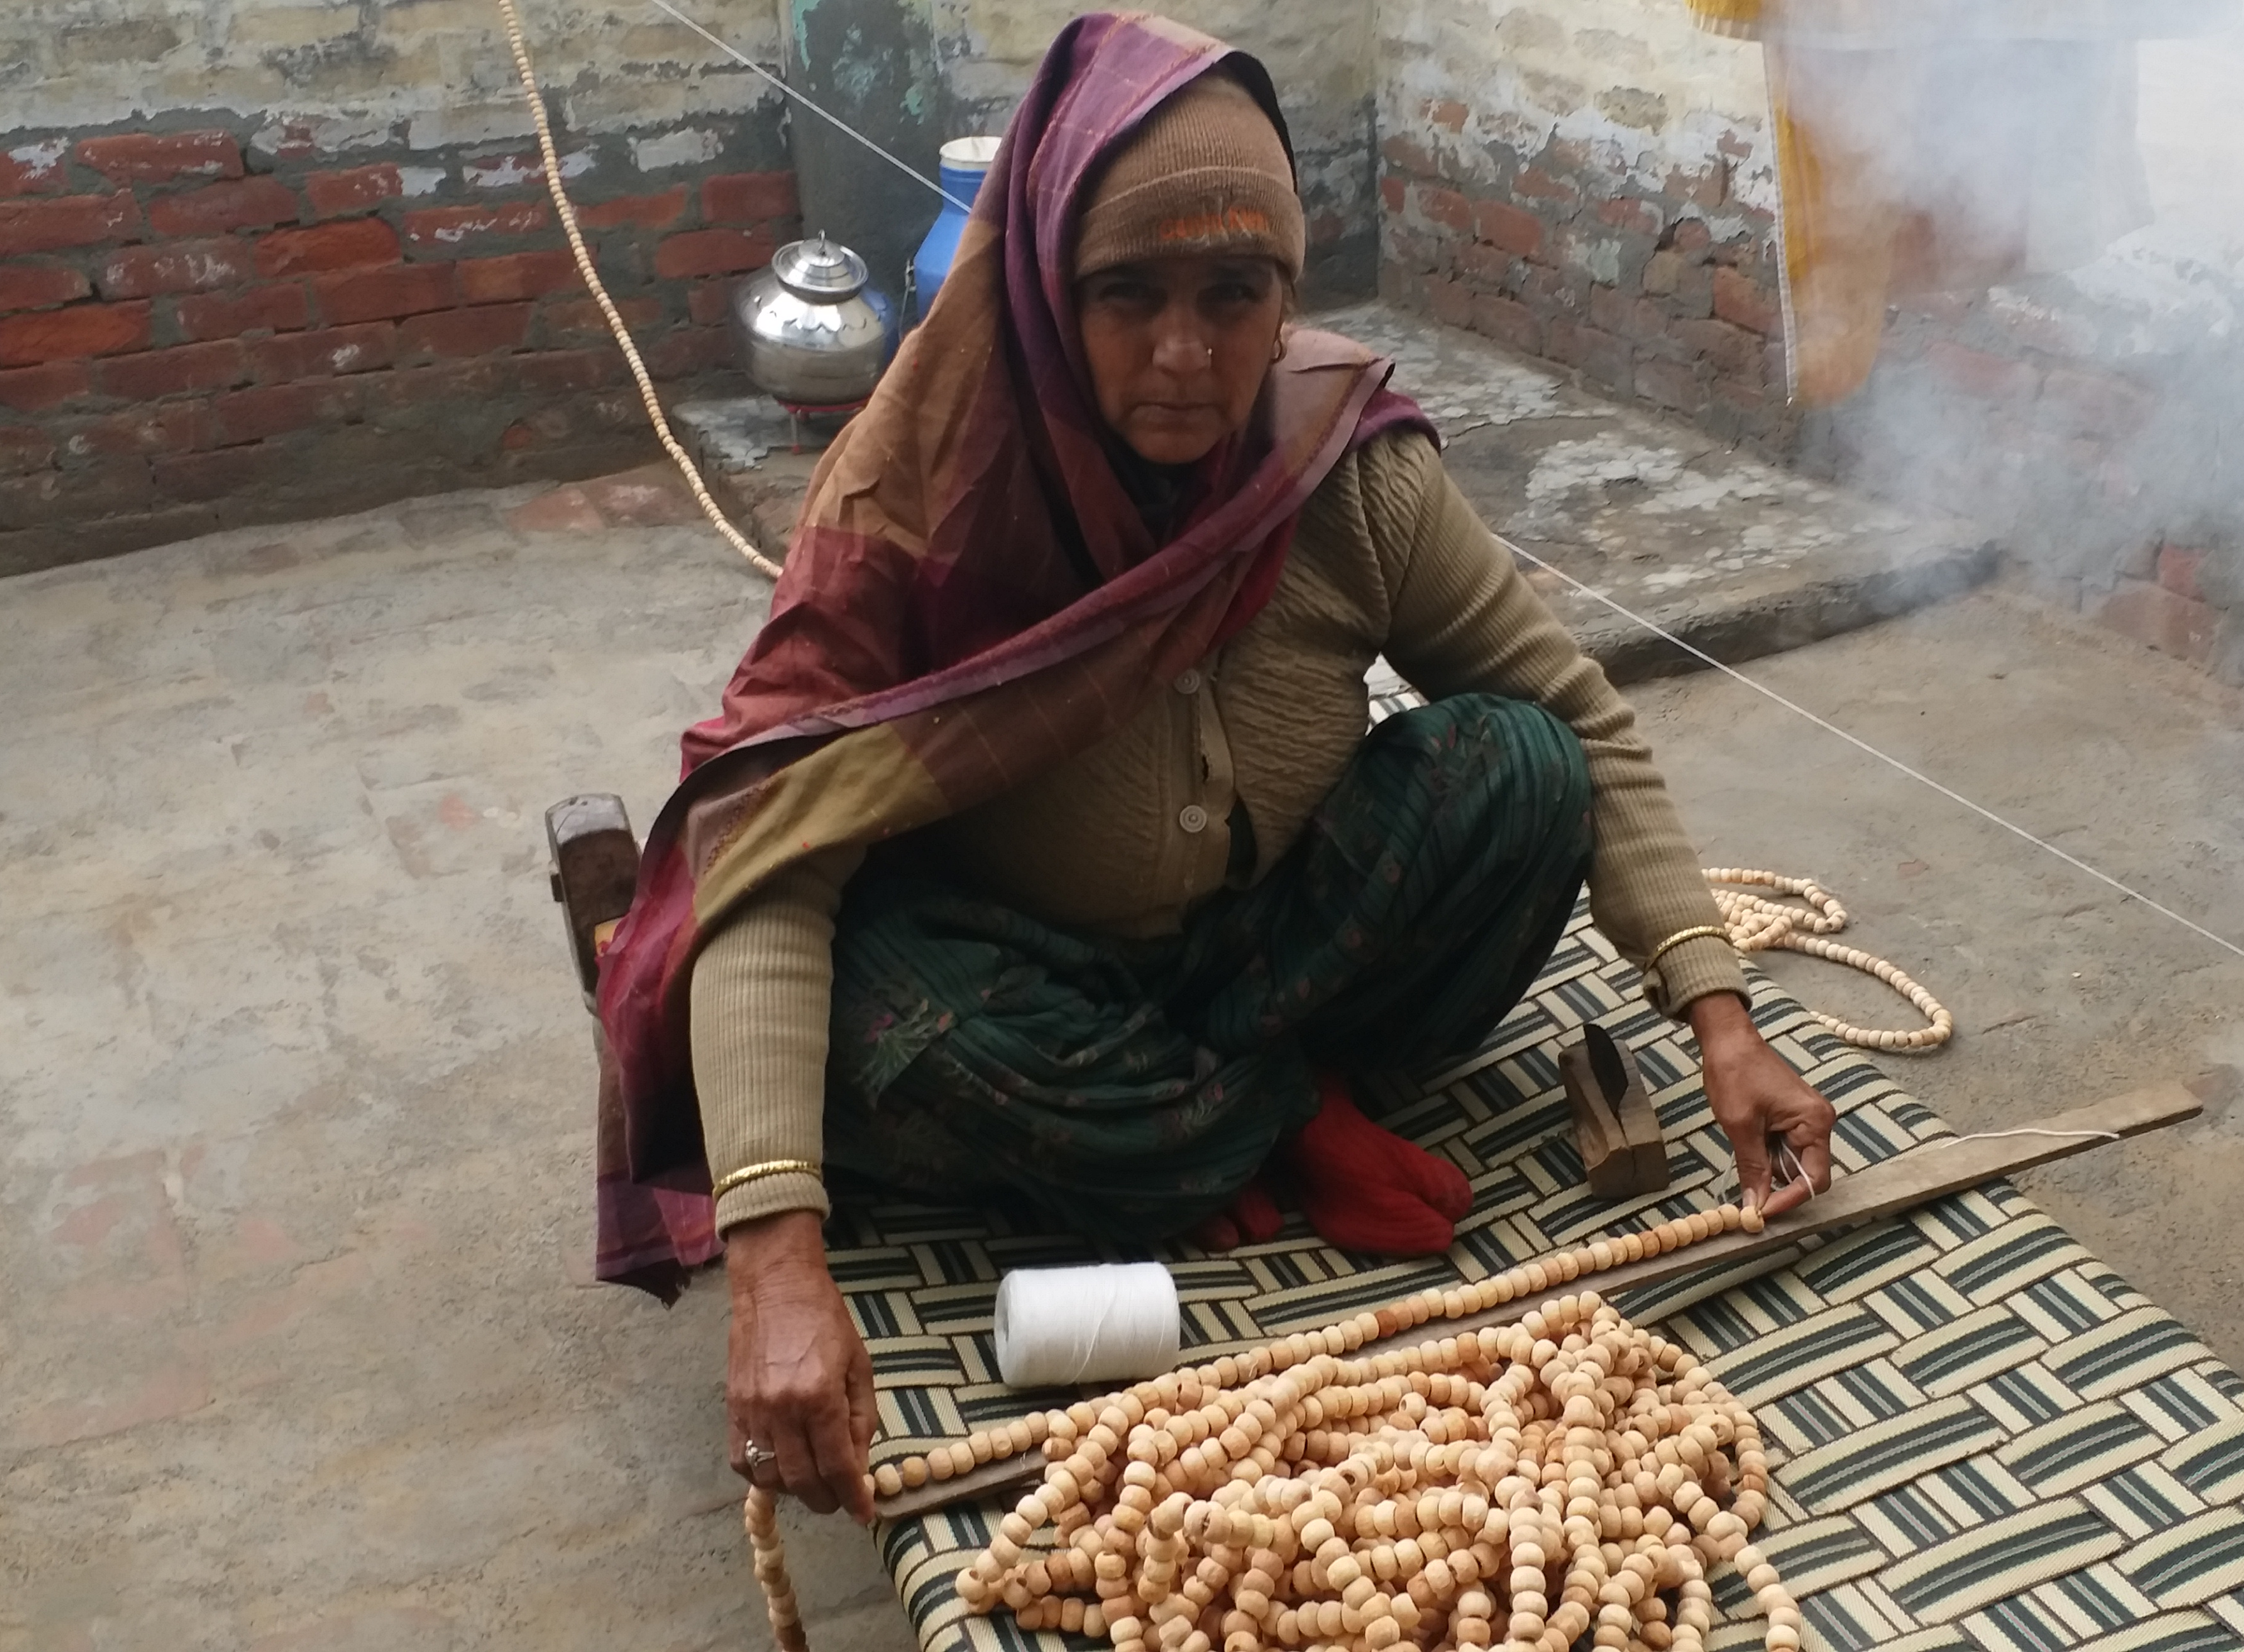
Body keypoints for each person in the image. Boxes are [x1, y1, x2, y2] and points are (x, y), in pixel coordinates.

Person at [587, 12, 1839, 1525]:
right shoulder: (923, 486)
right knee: (880, 1004)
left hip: (1266, 958)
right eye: (1129, 297)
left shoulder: (1345, 462)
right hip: (1029, 991)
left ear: (1284, 293)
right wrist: (776, 1267)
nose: (1187, 354)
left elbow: (1571, 709)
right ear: (1049, 286)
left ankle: (1193, 1122)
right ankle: (1281, 1120)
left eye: (1233, 296)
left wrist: (1718, 1019)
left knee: (1520, 768)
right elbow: (767, 858)